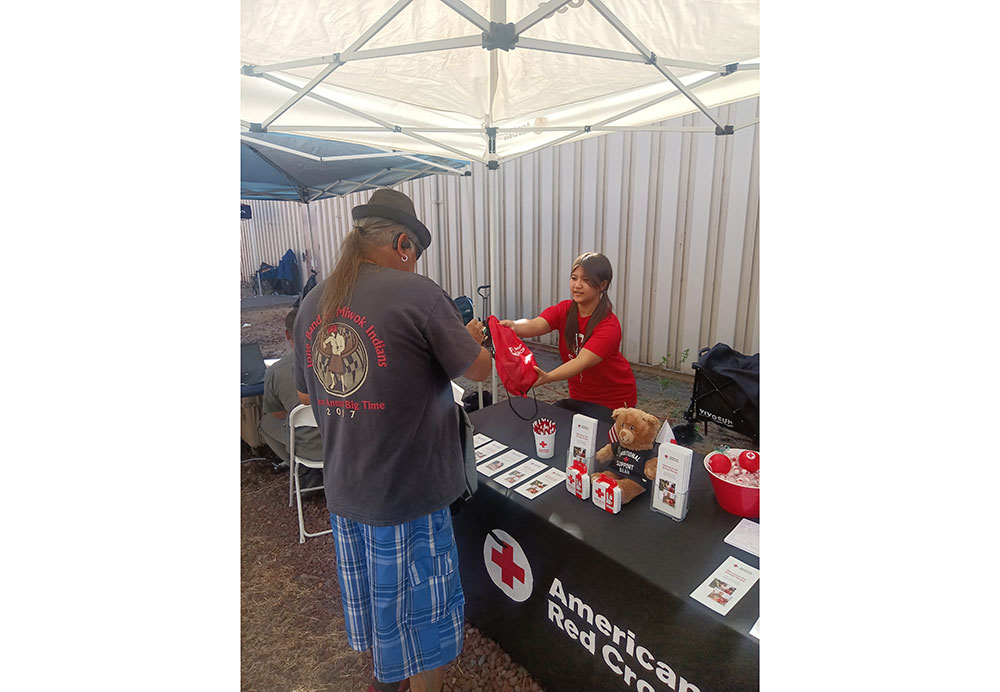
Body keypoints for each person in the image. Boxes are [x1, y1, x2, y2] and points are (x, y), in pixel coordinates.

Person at [293, 188, 491, 692]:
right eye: (414, 254)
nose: (413, 264)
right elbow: (479, 372)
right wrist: (470, 336)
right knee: (426, 628)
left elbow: (306, 392)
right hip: (409, 496)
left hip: (346, 492)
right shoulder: (419, 294)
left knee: (385, 618)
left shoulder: (313, 302)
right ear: (402, 243)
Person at [499, 251, 637, 413]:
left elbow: (581, 362)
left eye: (586, 280)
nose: (577, 285)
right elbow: (535, 324)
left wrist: (548, 377)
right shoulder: (564, 310)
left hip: (613, 401)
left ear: (602, 285)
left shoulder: (609, 326)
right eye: (574, 278)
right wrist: (513, 326)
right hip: (578, 396)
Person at [257, 307, 323, 488]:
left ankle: (304, 472)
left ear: (288, 335)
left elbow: (277, 414)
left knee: (266, 422)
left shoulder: (276, 372)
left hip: (309, 449)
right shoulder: (338, 361)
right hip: (344, 443)